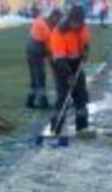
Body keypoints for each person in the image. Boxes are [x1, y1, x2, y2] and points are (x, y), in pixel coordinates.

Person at [49, 5, 91, 134]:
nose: (78, 26)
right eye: (75, 23)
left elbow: (86, 43)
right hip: (61, 65)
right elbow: (59, 59)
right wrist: (68, 76)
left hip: (76, 63)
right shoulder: (58, 32)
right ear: (70, 19)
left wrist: (85, 52)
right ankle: (55, 128)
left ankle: (82, 127)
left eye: (80, 23)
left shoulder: (82, 27)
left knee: (81, 96)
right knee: (63, 97)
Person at [27, 7, 62, 109]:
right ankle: (43, 102)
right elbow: (49, 48)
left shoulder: (40, 21)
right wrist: (54, 62)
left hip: (30, 49)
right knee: (40, 76)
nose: (58, 22)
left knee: (34, 76)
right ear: (54, 17)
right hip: (36, 51)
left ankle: (30, 100)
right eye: (58, 19)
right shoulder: (46, 29)